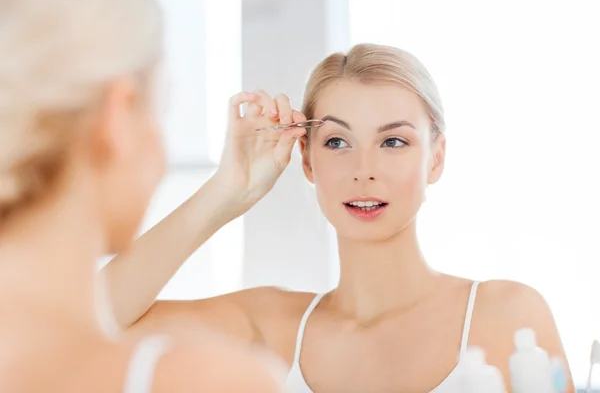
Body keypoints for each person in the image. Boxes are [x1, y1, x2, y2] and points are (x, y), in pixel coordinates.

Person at [105, 43, 575, 392]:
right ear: (306, 160)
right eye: (336, 142)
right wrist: (226, 195)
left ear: (436, 159)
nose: (363, 171)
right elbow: (86, 326)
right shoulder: (270, 327)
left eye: (393, 142)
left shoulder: (506, 315)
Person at [0, 0, 302, 391]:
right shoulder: (203, 380)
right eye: (163, 108)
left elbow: (97, 308)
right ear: (119, 115)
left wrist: (228, 192)